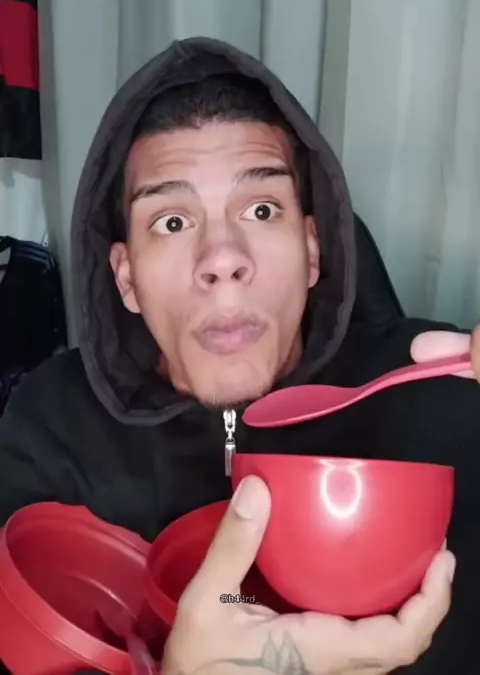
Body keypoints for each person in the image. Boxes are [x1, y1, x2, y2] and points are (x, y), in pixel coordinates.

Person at [0, 37, 479, 675]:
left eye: (261, 208)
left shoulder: (440, 405)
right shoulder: (50, 428)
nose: (222, 258)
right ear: (126, 279)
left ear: (313, 252)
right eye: (171, 222)